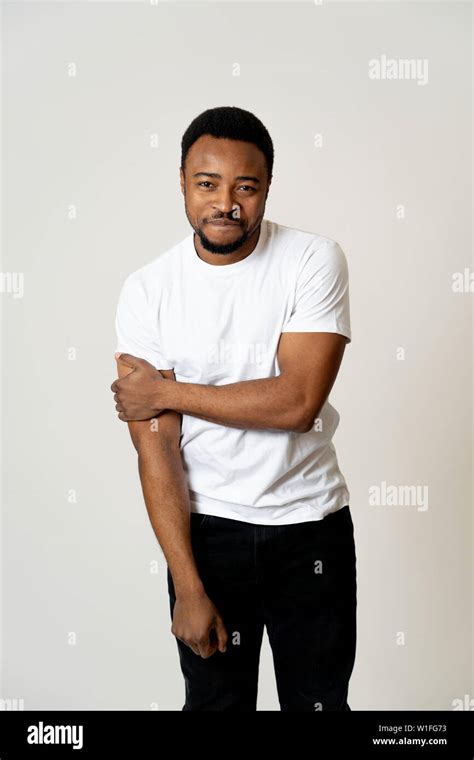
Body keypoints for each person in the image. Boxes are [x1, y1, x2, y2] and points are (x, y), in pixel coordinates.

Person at [111, 105, 357, 711]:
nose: (226, 203)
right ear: (183, 183)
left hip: (310, 528)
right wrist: (187, 586)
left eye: (245, 186)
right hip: (208, 533)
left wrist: (168, 392)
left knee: (320, 705)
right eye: (208, 184)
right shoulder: (148, 291)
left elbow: (298, 402)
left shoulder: (312, 260)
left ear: (267, 186)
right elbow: (156, 449)